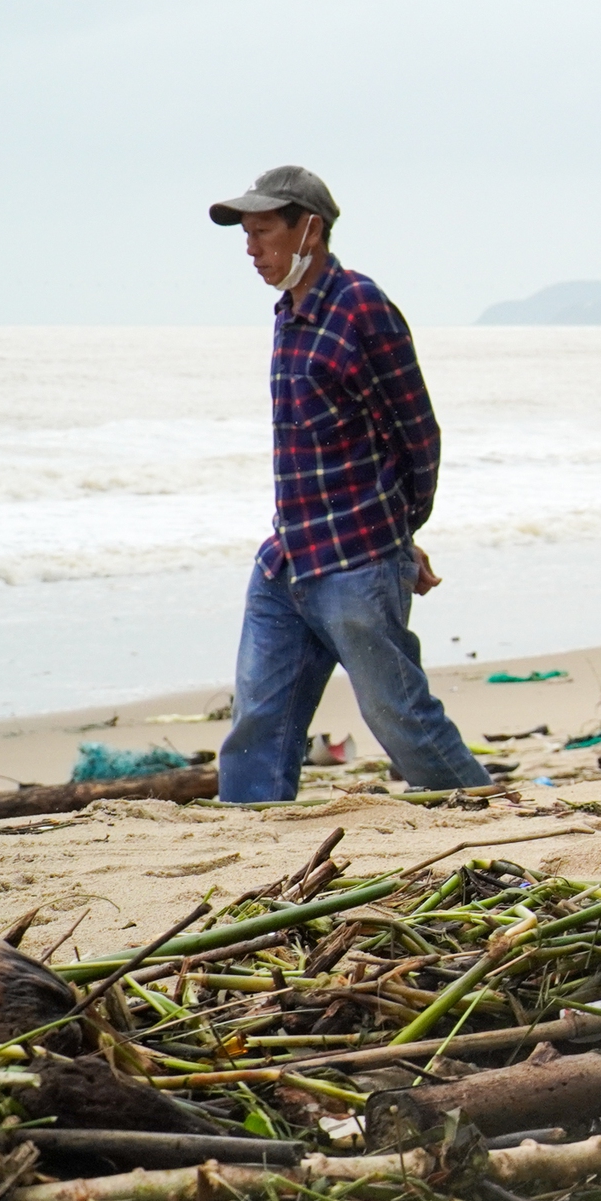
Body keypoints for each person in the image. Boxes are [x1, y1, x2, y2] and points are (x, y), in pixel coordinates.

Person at [207, 166, 489, 802]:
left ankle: (491, 817)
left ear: (311, 228)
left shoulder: (361, 307)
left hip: (356, 565)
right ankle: (251, 840)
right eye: (245, 235)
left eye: (263, 232)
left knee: (400, 720)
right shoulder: (289, 311)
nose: (251, 249)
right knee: (258, 722)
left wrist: (396, 537)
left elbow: (417, 433)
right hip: (288, 561)